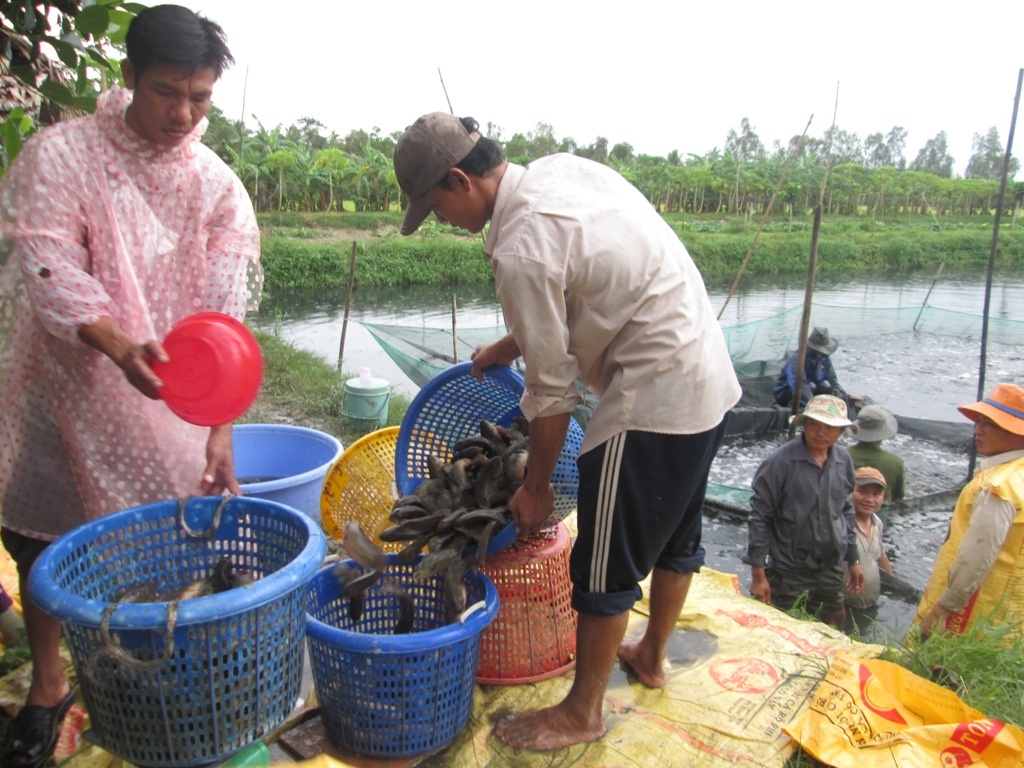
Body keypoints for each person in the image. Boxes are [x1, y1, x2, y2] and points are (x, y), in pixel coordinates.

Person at [393, 113, 740, 750]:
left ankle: (582, 712)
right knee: (673, 530)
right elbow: (588, 283)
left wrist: (536, 487)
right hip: (708, 375)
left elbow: (553, 393)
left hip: (652, 396)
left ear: (459, 179)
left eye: (435, 204)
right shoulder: (562, 171)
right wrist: (511, 342)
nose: (440, 219)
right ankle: (652, 656)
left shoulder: (518, 244)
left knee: (601, 563)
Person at [0, 6, 261, 768]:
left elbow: (221, 320)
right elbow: (48, 263)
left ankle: (140, 665)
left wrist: (219, 427)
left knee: (160, 532)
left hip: (166, 395)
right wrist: (116, 343)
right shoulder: (63, 156)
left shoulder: (215, 185)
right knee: (40, 527)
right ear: (127, 79)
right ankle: (49, 682)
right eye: (166, 92)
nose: (184, 115)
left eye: (201, 98)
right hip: (66, 378)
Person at [915, 383, 1024, 640]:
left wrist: (942, 609)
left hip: (969, 616)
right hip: (1005, 618)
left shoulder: (1000, 486)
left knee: (934, 672)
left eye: (991, 424)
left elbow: (977, 556)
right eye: (979, 421)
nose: (979, 430)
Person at [748, 395, 865, 630]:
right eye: (814, 425)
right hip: (789, 566)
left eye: (829, 427)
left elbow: (846, 511)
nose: (820, 433)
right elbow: (760, 516)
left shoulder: (843, 461)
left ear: (841, 432)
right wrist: (758, 574)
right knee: (783, 624)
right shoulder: (780, 462)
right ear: (804, 425)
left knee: (834, 617)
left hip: (830, 563)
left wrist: (853, 559)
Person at [843, 467, 894, 639]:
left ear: (883, 499)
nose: (869, 499)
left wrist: (891, 582)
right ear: (849, 491)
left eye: (876, 494)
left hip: (869, 606)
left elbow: (880, 555)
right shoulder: (840, 524)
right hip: (843, 607)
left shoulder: (877, 523)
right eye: (862, 491)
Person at [773, 327, 851, 409]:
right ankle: (803, 407)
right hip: (788, 392)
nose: (820, 353)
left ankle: (817, 404)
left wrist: (845, 397)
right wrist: (814, 406)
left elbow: (832, 381)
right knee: (811, 386)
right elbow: (799, 384)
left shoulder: (824, 358)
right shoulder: (798, 358)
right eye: (817, 350)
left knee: (825, 385)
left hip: (812, 391)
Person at [848, 404, 906, 506]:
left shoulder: (841, 455)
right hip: (879, 512)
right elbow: (899, 495)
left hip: (844, 509)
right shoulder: (896, 462)